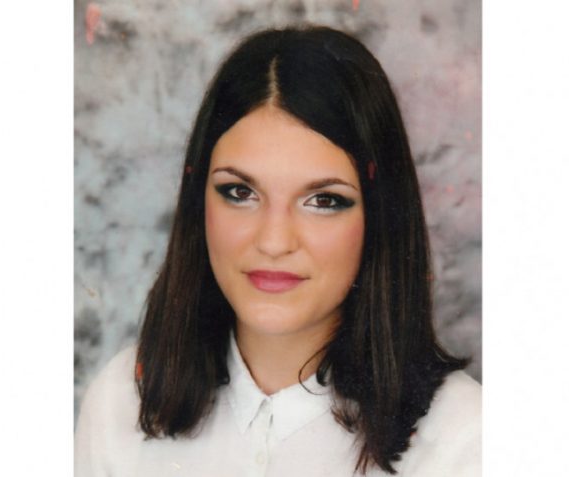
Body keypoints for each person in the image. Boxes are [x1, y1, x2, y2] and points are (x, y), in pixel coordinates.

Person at [75, 25, 481, 477]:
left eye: (323, 200)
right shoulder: (120, 404)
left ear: (379, 216)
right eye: (240, 192)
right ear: (198, 201)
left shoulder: (467, 440)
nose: (273, 241)